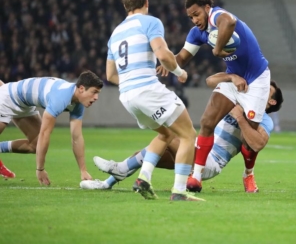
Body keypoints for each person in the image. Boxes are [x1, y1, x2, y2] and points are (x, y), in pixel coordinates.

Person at [80, 76, 283, 193]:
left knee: (168, 136)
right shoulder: (238, 101)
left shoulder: (263, 119)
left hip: (211, 163)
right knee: (147, 154)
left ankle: (119, 169)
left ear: (271, 102)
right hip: (197, 152)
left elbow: (257, 144)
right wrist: (231, 77)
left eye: (267, 92)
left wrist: (239, 118)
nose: (261, 92)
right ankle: (106, 184)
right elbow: (210, 80)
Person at [106, 0, 202, 201]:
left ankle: (143, 178)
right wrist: (180, 71)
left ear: (125, 5)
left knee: (165, 133)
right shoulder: (150, 22)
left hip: (127, 96)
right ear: (146, 2)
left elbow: (110, 74)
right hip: (146, 89)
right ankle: (179, 192)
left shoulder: (115, 33)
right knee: (188, 135)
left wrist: (131, 80)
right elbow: (164, 55)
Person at [174, 0, 270, 192]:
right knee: (207, 122)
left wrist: (217, 50)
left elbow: (230, 21)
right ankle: (196, 177)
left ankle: (248, 175)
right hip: (232, 78)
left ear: (206, 8)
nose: (194, 20)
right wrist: (161, 60)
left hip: (257, 79)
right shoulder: (197, 33)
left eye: (196, 14)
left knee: (249, 140)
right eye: (190, 17)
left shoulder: (217, 15)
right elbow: (181, 59)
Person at [0, 71, 103, 185]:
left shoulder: (78, 103)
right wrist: (40, 169)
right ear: (81, 89)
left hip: (24, 104)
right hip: (7, 97)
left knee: (35, 144)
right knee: (41, 137)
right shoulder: (60, 97)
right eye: (94, 92)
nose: (96, 97)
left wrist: (83, 170)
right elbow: (45, 133)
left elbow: (77, 137)